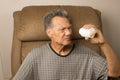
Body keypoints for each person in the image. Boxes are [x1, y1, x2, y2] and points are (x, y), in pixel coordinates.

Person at [12, 9, 120, 80]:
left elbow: (115, 73)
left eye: (69, 28)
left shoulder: (87, 54)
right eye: (62, 29)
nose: (69, 33)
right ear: (49, 33)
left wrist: (103, 43)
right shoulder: (35, 55)